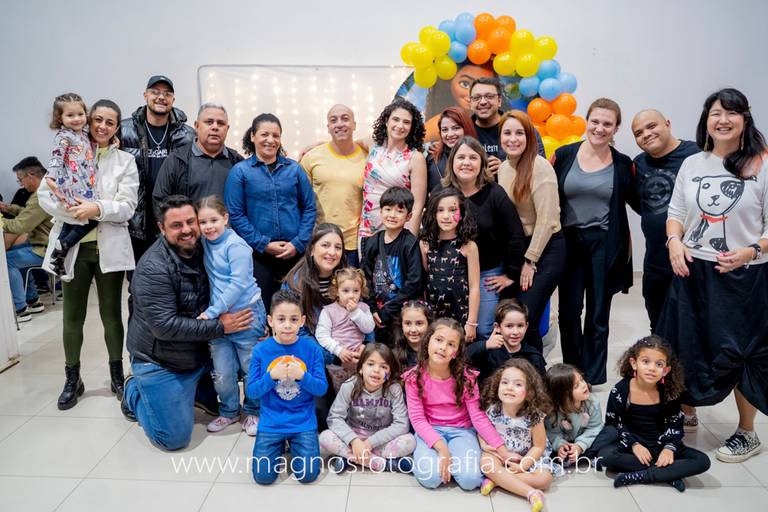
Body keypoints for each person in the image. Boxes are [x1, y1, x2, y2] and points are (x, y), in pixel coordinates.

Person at [659, 88, 768, 462]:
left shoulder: (761, 163)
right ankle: (685, 415)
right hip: (691, 269)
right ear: (706, 120)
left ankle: (747, 432)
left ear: (745, 119)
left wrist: (750, 251)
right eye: (715, 113)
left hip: (744, 275)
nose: (723, 120)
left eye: (731, 113)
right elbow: (676, 212)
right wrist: (674, 241)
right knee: (685, 345)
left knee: (740, 352)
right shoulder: (694, 163)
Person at [122, 195, 253, 450]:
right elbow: (166, 327)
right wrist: (221, 327)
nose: (187, 230)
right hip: (162, 361)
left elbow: (239, 282)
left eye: (191, 222)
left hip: (200, 353)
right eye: (176, 225)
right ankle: (133, 390)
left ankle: (195, 391)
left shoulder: (207, 245)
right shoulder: (153, 268)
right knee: (173, 438)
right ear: (161, 228)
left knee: (243, 363)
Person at [38, 99, 140, 410]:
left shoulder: (125, 161)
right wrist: (76, 212)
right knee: (72, 316)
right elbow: (45, 195)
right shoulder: (69, 150)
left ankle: (116, 375)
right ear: (88, 119)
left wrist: (97, 208)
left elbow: (127, 206)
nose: (102, 126)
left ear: (117, 127)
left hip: (108, 247)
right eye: (98, 119)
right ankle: (72, 378)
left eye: (110, 122)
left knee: (111, 315)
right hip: (74, 249)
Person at [552, 98, 634, 385]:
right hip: (569, 242)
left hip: (605, 243)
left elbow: (640, 200)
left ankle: (594, 375)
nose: (600, 128)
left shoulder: (622, 164)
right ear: (586, 121)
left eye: (607, 124)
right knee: (569, 311)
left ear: (616, 129)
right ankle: (572, 373)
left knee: (599, 312)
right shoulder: (564, 155)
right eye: (595, 121)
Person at [405, 318, 514, 490]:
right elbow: (417, 419)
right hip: (430, 429)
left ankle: (457, 463)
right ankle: (431, 459)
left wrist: (502, 450)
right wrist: (442, 449)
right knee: (430, 478)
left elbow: (478, 416)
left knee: (470, 481)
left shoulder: (466, 378)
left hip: (462, 431)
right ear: (427, 342)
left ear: (456, 352)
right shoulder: (414, 377)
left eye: (451, 344)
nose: (443, 347)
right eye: (438, 340)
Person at [225, 113, 317, 311]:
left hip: (296, 254)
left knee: (298, 309)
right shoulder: (240, 172)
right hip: (258, 256)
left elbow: (309, 207)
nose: (270, 140)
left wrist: (298, 243)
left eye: (276, 135)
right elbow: (236, 215)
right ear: (253, 136)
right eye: (264, 134)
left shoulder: (294, 169)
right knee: (263, 309)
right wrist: (264, 244)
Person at [440, 136, 526, 341]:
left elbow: (516, 235)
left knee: (482, 330)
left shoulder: (495, 193)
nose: (466, 163)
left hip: (487, 272)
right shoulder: (442, 193)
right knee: (450, 329)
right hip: (450, 272)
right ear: (452, 162)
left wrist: (511, 274)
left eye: (473, 158)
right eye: (461, 157)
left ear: (482, 163)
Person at [599, 336, 710, 492]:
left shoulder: (669, 392)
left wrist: (669, 448)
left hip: (660, 444)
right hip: (632, 445)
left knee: (702, 461)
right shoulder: (620, 390)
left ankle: (641, 475)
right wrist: (634, 445)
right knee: (605, 456)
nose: (652, 368)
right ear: (634, 363)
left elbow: (675, 424)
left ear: (666, 370)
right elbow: (613, 423)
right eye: (646, 361)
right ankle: (668, 473)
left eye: (659, 364)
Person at [195, 196, 267, 436]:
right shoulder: (206, 242)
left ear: (225, 218)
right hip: (220, 317)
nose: (209, 227)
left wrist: (212, 312)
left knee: (250, 368)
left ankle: (253, 410)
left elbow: (238, 284)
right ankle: (229, 411)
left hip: (246, 313)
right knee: (222, 372)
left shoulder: (236, 246)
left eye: (214, 220)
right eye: (203, 222)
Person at [497, 110, 565, 355]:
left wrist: (530, 261)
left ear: (529, 137)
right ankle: (521, 369)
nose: (513, 139)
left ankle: (535, 369)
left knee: (527, 316)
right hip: (520, 248)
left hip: (546, 249)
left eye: (519, 133)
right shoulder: (503, 168)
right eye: (507, 133)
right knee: (514, 317)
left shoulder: (540, 167)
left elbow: (547, 220)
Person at [247, 289, 328, 485]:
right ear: (270, 321)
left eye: (293, 319)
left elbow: (321, 389)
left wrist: (302, 376)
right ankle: (280, 446)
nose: (287, 325)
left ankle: (294, 444)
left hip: (303, 422)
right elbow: (252, 391)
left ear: (302, 321)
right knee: (263, 477)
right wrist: (271, 377)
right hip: (271, 422)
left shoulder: (312, 349)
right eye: (281, 319)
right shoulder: (260, 350)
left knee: (308, 475)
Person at [630, 109, 700, 333]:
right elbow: (640, 204)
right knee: (659, 329)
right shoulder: (639, 164)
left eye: (652, 126)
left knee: (693, 330)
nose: (646, 134)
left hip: (694, 262)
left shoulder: (697, 154)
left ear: (667, 124)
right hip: (656, 264)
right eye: (639, 133)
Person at [121, 75, 195, 263]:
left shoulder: (188, 135)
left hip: (174, 219)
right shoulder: (124, 130)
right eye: (155, 92)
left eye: (167, 93)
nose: (161, 97)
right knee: (139, 275)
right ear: (145, 95)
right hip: (137, 221)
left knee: (177, 272)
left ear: (173, 99)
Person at [282, 223, 348, 429]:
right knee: (321, 419)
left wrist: (359, 348)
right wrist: (335, 353)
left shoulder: (347, 280)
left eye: (338, 247)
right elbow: (294, 333)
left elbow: (360, 318)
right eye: (325, 245)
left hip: (344, 354)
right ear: (312, 249)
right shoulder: (295, 283)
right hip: (312, 357)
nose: (332, 252)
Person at [319, 343, 416, 474]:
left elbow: (402, 424)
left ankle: (350, 458)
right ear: (360, 368)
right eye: (370, 364)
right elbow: (334, 418)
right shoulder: (350, 386)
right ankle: (383, 464)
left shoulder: (394, 389)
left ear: (389, 373)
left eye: (383, 367)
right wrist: (354, 441)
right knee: (324, 437)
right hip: (353, 439)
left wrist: (370, 443)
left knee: (410, 441)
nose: (376, 370)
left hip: (380, 441)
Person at [478, 359, 560, 512]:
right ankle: (531, 493)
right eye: (505, 382)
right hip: (499, 453)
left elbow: (539, 446)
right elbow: (481, 429)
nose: (509, 388)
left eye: (518, 384)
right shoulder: (493, 409)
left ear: (530, 392)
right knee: (486, 464)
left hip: (527, 455)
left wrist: (524, 465)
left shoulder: (534, 415)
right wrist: (484, 445)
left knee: (545, 479)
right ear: (497, 385)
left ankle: (497, 480)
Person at [300, 104, 367, 266]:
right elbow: (301, 201)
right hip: (320, 241)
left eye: (345, 119)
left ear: (354, 125)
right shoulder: (311, 157)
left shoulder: (368, 157)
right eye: (334, 120)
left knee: (349, 283)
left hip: (352, 244)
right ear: (328, 127)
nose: (340, 124)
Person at [359, 98, 427, 245]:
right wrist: (317, 145)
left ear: (412, 127)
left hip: (396, 231)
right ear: (386, 121)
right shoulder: (373, 144)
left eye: (406, 122)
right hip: (366, 229)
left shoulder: (415, 158)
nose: (400, 126)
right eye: (395, 119)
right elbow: (347, 144)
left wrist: (408, 243)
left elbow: (417, 206)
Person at [43, 93, 98, 275]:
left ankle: (58, 257)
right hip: (72, 185)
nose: (77, 119)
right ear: (60, 118)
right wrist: (50, 177)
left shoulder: (83, 133)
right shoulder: (64, 136)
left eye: (80, 114)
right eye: (70, 115)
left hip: (85, 183)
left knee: (73, 220)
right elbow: (56, 157)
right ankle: (64, 245)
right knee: (91, 218)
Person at [361, 186, 423, 342]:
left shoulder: (409, 243)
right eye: (388, 209)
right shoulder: (372, 241)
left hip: (401, 313)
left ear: (408, 216)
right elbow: (364, 276)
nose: (392, 215)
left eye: (399, 211)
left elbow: (414, 282)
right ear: (381, 211)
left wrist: (388, 311)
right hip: (375, 312)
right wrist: (372, 308)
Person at [152, 103, 243, 208]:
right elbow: (160, 200)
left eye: (220, 123)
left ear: (227, 128)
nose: (215, 127)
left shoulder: (238, 162)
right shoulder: (176, 160)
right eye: (209, 122)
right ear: (196, 126)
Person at [419, 187, 480, 341]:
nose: (446, 216)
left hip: (460, 313)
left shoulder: (469, 246)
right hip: (434, 314)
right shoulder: (425, 244)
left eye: (453, 210)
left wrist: (471, 323)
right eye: (440, 210)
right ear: (433, 214)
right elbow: (426, 280)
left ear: (462, 213)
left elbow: (474, 287)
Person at [1, 158, 52, 321]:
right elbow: (29, 213)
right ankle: (33, 300)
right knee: (14, 253)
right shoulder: (48, 188)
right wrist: (7, 208)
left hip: (47, 250)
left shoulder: (40, 196)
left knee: (6, 260)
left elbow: (19, 226)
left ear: (30, 175)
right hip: (49, 246)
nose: (21, 184)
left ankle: (21, 309)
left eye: (20, 179)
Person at [468, 77, 544, 175]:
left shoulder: (522, 127)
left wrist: (506, 167)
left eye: (489, 96)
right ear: (470, 103)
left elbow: (540, 167)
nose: (483, 102)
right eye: (476, 98)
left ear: (499, 101)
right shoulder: (462, 131)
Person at [316, 267, 375, 391]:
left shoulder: (363, 308)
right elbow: (322, 335)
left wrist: (356, 312)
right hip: (338, 363)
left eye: (356, 291)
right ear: (337, 291)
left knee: (361, 391)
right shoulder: (328, 311)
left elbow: (369, 328)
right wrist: (339, 351)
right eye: (346, 291)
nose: (351, 295)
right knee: (342, 392)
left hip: (360, 360)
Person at [466, 299, 546, 382]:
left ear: (526, 326)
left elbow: (542, 386)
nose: (515, 332)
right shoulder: (489, 352)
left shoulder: (533, 357)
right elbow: (463, 357)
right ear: (497, 327)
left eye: (520, 326)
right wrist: (485, 345)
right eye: (509, 326)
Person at [543, 363, 606, 465]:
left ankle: (577, 456)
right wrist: (560, 445)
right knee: (546, 448)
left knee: (610, 432)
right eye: (576, 386)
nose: (584, 385)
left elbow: (595, 427)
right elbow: (552, 433)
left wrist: (580, 446)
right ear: (563, 395)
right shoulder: (552, 411)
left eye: (582, 379)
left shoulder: (592, 402)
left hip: (586, 439)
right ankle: (574, 456)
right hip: (565, 442)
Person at [426, 107, 477, 192]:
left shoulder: (480, 157)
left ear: (466, 127)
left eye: (456, 128)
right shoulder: (432, 157)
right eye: (445, 130)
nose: (450, 134)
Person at [392, 300, 432, 370]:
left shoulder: (436, 354)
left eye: (419, 323)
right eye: (408, 323)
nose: (413, 330)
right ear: (401, 325)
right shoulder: (394, 356)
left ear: (429, 324)